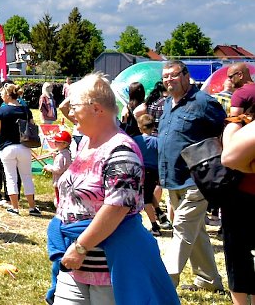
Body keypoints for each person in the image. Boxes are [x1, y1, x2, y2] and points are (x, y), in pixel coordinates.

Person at [48, 73, 178, 305]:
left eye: (76, 106)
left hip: (110, 269)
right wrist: (77, 94)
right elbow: (69, 109)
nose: (69, 112)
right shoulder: (88, 141)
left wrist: (80, 247)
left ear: (97, 109)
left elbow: (117, 207)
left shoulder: (121, 151)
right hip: (76, 267)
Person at [156, 60, 225, 294]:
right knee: (195, 233)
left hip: (197, 178)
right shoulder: (167, 104)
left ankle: (165, 282)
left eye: (173, 75)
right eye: (165, 76)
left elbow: (224, 131)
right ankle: (208, 280)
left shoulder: (204, 103)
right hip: (172, 178)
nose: (168, 80)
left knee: (182, 228)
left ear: (186, 75)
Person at [218, 62, 255, 305]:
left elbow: (228, 157)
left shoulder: (242, 94)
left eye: (231, 76)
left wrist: (234, 122)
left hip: (243, 192)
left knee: (238, 253)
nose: (229, 81)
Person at [0, 83, 40, 216]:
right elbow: (32, 125)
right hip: (24, 147)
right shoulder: (25, 110)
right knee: (27, 177)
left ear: (7, 95)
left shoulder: (2, 110)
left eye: (2, 94)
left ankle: (15, 207)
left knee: (11, 177)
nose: (1, 96)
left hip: (7, 147)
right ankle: (32, 207)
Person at [132, 112, 162, 236]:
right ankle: (161, 214)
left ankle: (155, 226)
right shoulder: (157, 141)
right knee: (148, 194)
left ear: (140, 127)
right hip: (154, 172)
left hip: (142, 171)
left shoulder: (136, 140)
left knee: (145, 200)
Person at [42, 129, 72, 206]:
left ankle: (60, 213)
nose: (55, 143)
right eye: (55, 141)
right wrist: (55, 157)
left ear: (65, 144)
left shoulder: (61, 155)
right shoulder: (66, 153)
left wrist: (48, 167)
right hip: (65, 181)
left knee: (60, 200)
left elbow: (58, 169)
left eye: (58, 142)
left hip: (60, 181)